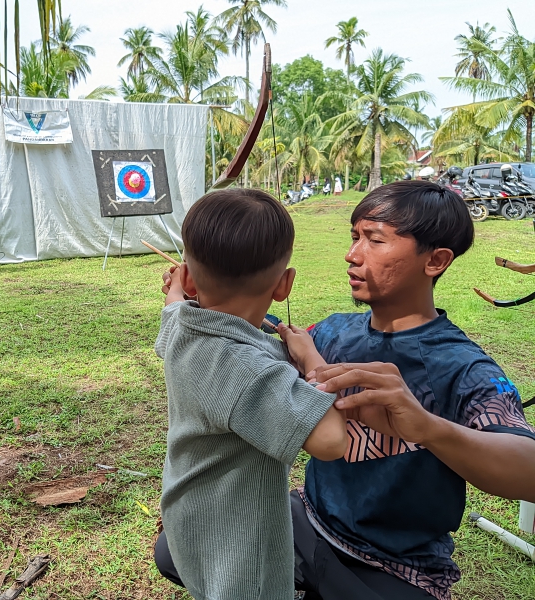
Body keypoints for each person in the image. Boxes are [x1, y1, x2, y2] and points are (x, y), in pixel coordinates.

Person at [155, 180, 535, 600]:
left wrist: (428, 427)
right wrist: (198, 296)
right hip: (309, 522)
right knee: (174, 549)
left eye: (374, 240)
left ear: (436, 260)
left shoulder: (461, 366)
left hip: (393, 566)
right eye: (354, 237)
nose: (352, 255)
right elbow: (238, 336)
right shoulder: (331, 332)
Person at [154, 188, 348, 600]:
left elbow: (172, 305)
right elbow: (331, 441)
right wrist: (312, 359)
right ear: (284, 285)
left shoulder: (180, 328)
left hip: (189, 515)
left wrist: (175, 287)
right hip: (238, 545)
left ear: (188, 278)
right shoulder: (243, 369)